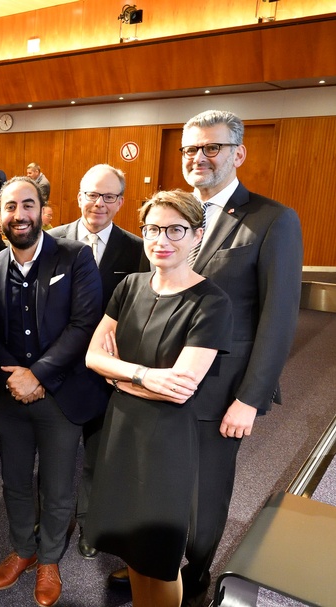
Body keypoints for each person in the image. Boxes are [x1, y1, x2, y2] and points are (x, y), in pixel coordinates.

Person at [164, 110, 300, 607]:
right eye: (189, 149)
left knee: (205, 496)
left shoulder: (272, 219)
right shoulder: (171, 215)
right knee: (164, 482)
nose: (198, 158)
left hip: (223, 390)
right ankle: (162, 568)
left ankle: (194, 579)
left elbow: (279, 317)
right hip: (162, 381)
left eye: (211, 148)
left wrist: (250, 398)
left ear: (238, 153)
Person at [85, 190, 233, 607]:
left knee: (160, 556)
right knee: (131, 546)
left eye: (175, 230)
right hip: (122, 426)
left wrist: (119, 376)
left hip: (166, 437)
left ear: (196, 236)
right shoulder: (129, 286)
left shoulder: (212, 302)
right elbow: (93, 356)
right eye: (152, 229)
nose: (161, 239)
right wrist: (142, 376)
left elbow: (181, 386)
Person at [0, 176, 102, 607]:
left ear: (42, 210)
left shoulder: (75, 257)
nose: (20, 215)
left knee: (57, 485)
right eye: (10, 207)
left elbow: (84, 324)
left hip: (62, 394)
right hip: (10, 396)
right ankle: (23, 549)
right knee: (13, 481)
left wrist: (39, 374)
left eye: (27, 205)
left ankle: (50, 558)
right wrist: (15, 374)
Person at [47, 163, 150, 560]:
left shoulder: (137, 248)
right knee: (55, 457)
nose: (99, 203)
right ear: (78, 197)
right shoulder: (50, 242)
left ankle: (91, 523)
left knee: (98, 455)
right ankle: (54, 521)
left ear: (121, 201)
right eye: (92, 194)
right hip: (57, 371)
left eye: (109, 196)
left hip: (107, 374)